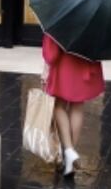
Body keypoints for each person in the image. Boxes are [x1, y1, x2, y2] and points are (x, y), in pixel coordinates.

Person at [42, 33, 104, 176]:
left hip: (65, 63)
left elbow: (51, 54)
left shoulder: (62, 19)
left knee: (58, 106)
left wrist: (46, 67)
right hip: (85, 62)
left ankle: (69, 150)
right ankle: (69, 156)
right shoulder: (94, 21)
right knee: (78, 106)